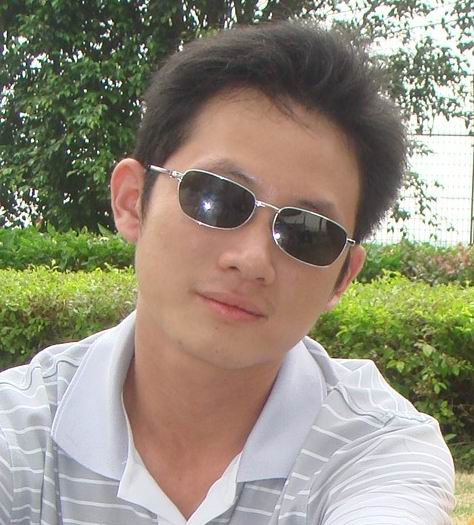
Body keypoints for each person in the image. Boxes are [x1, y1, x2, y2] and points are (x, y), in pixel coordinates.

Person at [0, 21, 455, 525]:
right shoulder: (19, 431)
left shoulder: (376, 449)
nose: (252, 259)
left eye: (307, 231)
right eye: (216, 197)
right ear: (132, 201)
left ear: (343, 277)